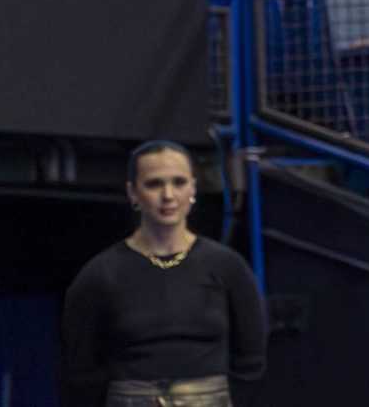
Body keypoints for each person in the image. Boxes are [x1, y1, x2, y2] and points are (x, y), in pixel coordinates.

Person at [60, 140, 264, 404]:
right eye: (154, 184)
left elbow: (251, 359)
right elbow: (81, 369)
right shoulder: (100, 274)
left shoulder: (227, 267)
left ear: (193, 187)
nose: (168, 195)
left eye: (179, 182)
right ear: (133, 193)